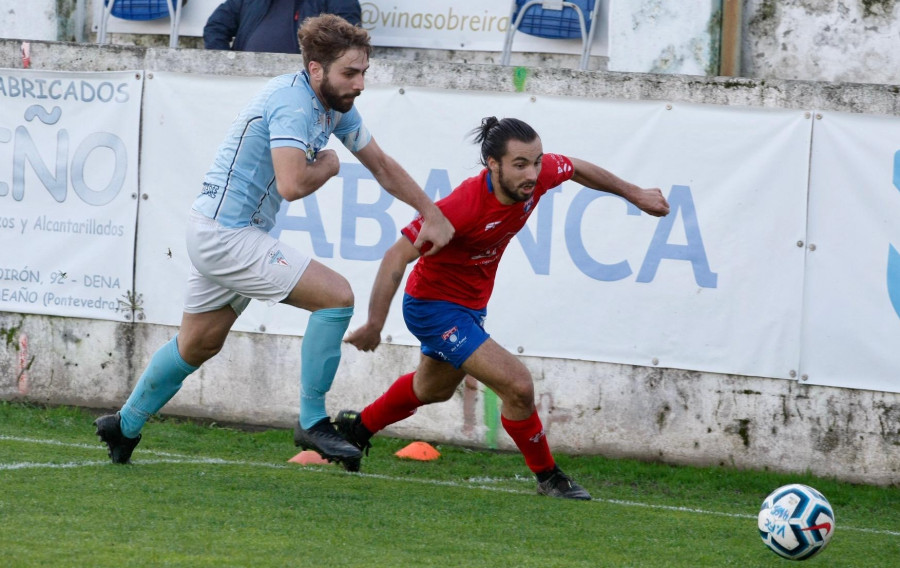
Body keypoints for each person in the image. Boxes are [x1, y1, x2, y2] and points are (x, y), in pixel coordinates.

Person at [93, 15, 454, 472]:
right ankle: (312, 421)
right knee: (336, 298)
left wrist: (432, 212)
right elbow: (291, 183)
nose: (360, 83)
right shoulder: (292, 103)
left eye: (364, 72)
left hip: (221, 231)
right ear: (316, 69)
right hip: (227, 235)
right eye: (351, 72)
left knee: (198, 344)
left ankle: (123, 425)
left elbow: (381, 164)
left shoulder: (334, 102)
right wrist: (329, 165)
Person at [337, 117, 670, 499]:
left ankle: (356, 429)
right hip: (433, 308)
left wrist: (635, 194)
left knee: (432, 389)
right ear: (492, 164)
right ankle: (549, 477)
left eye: (537, 161)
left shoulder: (537, 176)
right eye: (520, 165)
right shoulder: (462, 206)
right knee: (518, 386)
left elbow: (577, 167)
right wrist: (374, 324)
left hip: (469, 307)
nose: (533, 173)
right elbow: (396, 257)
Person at [204, 0, 362, 54]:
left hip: (304, 89)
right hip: (245, 84)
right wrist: (229, 68)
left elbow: (346, 38)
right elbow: (215, 27)